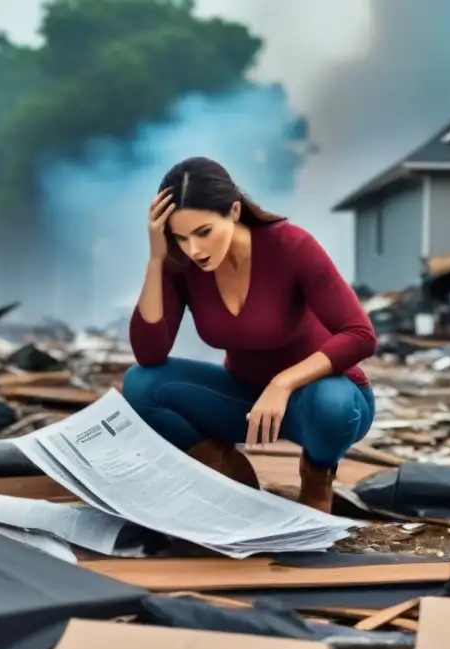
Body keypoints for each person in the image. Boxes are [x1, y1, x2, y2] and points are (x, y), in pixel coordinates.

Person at [122, 157, 377, 515]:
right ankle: (229, 472)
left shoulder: (291, 246)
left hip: (320, 401)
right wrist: (157, 259)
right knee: (141, 385)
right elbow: (149, 354)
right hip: (247, 401)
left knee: (332, 404)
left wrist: (284, 383)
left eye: (204, 232)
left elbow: (361, 335)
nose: (194, 249)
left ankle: (317, 480)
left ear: (235, 211)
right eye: (181, 237)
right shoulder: (182, 262)